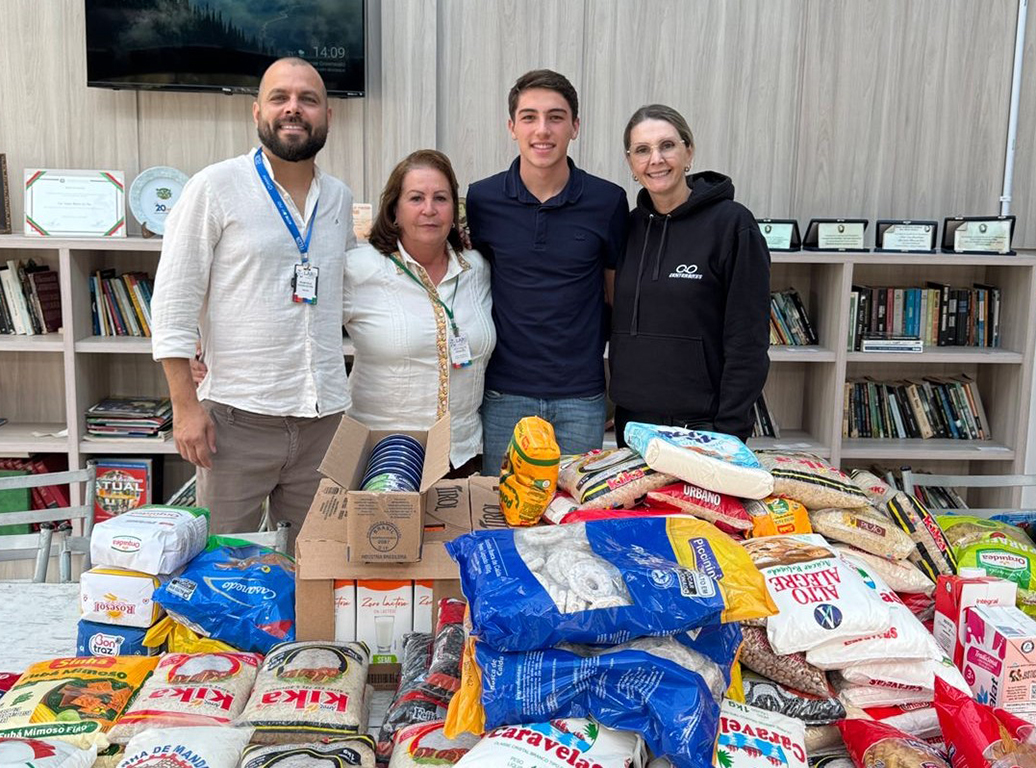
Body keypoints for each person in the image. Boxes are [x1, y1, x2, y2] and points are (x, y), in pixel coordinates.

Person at [151, 57, 356, 536]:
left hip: (323, 421)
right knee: (226, 564)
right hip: (235, 422)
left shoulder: (340, 198)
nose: (293, 108)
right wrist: (185, 406)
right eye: (280, 98)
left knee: (312, 562)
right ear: (257, 111)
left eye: (308, 99)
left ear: (328, 116)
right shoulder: (214, 187)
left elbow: (350, 292)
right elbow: (173, 301)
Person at [466, 69, 627, 473]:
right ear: (512, 127)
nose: (542, 130)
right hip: (504, 393)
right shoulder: (482, 199)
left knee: (573, 506)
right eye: (529, 117)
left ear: (575, 126)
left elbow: (616, 299)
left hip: (581, 396)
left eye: (556, 117)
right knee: (503, 504)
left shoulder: (608, 201)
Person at [610, 104, 770, 445]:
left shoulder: (732, 225)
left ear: (689, 152)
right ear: (631, 163)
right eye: (642, 150)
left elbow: (748, 340)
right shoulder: (627, 228)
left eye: (667, 145)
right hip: (633, 427)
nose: (656, 159)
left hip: (703, 429)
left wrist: (729, 431)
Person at [343, 150, 495, 474]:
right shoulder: (358, 269)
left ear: (454, 209)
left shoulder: (478, 269)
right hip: (381, 459)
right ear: (394, 210)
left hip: (463, 455)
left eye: (440, 198)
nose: (429, 209)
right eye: (416, 198)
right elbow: (308, 336)